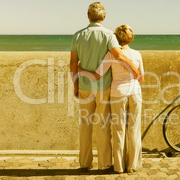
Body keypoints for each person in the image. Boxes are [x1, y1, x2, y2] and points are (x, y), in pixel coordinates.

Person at [69, 2, 139, 172]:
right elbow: (118, 55)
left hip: (85, 86)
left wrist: (76, 84)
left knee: (85, 125)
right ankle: (104, 163)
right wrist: (134, 68)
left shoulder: (78, 36)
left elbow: (72, 64)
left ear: (88, 16)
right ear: (104, 17)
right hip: (103, 87)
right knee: (103, 124)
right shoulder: (109, 35)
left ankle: (85, 162)